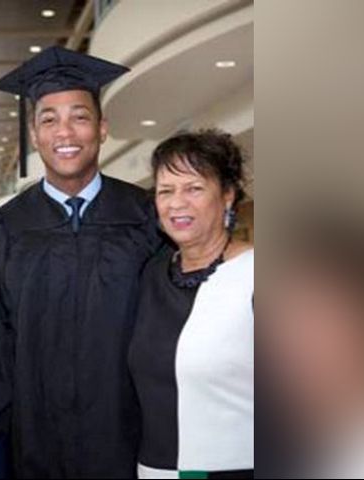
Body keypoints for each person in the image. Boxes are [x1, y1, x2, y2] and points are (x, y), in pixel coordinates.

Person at [0, 46, 161, 478]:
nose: (64, 132)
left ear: (102, 129)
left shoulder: (146, 217)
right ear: (34, 135)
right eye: (49, 119)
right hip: (33, 446)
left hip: (130, 444)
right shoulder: (3, 229)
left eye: (80, 116)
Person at [127, 129, 254, 478]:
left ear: (227, 195)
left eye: (194, 188)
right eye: (166, 191)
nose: (177, 203)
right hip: (155, 470)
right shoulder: (149, 275)